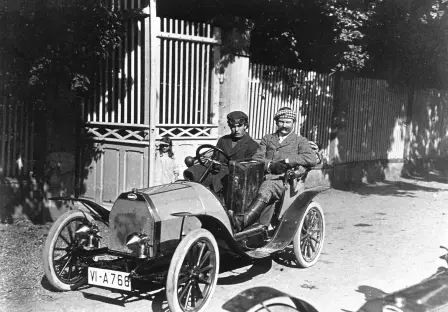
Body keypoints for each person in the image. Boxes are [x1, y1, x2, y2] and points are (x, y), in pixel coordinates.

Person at [230, 107, 318, 232]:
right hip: (263, 175)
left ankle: (242, 221)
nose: (284, 125)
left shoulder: (300, 141)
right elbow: (257, 158)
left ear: (293, 123)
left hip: (284, 181)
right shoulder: (268, 138)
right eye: (281, 122)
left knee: (268, 186)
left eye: (288, 122)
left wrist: (288, 161)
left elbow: (311, 158)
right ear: (276, 122)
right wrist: (270, 165)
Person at [183, 111, 259, 193]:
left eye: (239, 126)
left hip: (234, 179)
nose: (236, 130)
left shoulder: (253, 146)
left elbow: (248, 171)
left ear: (245, 126)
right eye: (233, 126)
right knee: (192, 172)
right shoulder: (223, 140)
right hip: (217, 172)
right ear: (229, 126)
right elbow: (215, 158)